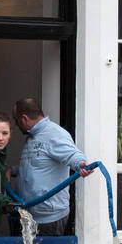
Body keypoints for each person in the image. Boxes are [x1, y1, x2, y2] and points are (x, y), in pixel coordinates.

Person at [11, 97, 93, 236]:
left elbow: (73, 155)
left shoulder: (54, 134)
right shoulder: (32, 137)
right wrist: (12, 171)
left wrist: (81, 164)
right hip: (29, 216)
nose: (16, 125)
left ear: (24, 119)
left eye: (16, 121)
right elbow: (37, 167)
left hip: (48, 219)